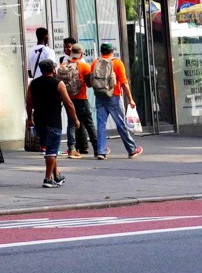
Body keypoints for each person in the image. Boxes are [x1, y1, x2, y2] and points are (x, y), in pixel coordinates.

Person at [29, 56, 77, 190]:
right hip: (53, 121)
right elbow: (69, 103)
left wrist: (28, 119)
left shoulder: (33, 84)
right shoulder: (58, 83)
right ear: (53, 69)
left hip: (39, 121)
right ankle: (47, 179)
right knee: (51, 151)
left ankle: (56, 175)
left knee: (50, 148)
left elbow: (28, 102)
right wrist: (75, 120)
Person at [87, 42, 139, 159]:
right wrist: (130, 99)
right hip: (114, 96)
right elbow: (124, 83)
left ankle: (101, 151)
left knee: (101, 125)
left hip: (99, 96)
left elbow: (90, 81)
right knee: (121, 124)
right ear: (112, 51)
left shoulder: (95, 62)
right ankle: (131, 149)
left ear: (101, 51)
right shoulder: (117, 62)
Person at [60, 40, 94, 156]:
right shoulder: (84, 66)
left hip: (68, 99)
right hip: (81, 98)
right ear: (81, 54)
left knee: (71, 123)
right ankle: (98, 149)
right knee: (89, 124)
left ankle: (72, 149)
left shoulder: (64, 65)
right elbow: (89, 84)